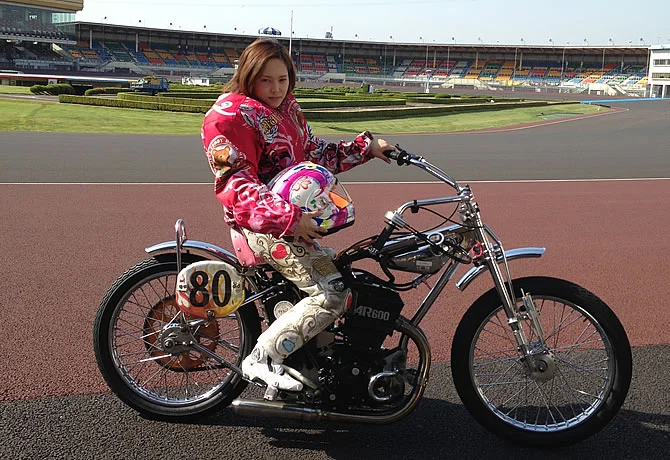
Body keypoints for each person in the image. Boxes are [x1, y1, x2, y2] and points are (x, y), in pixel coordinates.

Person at [201, 38, 394, 395]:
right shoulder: (230, 116)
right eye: (265, 80)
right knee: (333, 294)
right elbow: (235, 182)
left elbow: (314, 152)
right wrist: (286, 218)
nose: (275, 89)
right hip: (261, 227)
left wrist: (366, 148)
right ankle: (262, 357)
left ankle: (312, 367)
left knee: (344, 274)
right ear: (248, 77)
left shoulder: (287, 110)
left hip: (289, 222)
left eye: (282, 79)